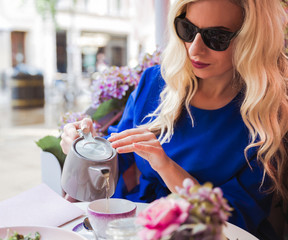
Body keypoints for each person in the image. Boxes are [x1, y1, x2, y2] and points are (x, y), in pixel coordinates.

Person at [60, 0, 288, 239]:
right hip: (139, 225)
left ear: (251, 40)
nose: (194, 49)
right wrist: (82, 147)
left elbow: (234, 221)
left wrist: (166, 166)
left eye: (216, 37)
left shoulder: (266, 115)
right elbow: (115, 160)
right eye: (188, 30)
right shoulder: (154, 82)